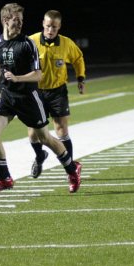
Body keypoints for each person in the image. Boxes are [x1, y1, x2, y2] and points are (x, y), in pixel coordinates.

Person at [0, 3, 82, 194]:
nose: (19, 25)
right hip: (8, 96)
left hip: (28, 98)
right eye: (16, 21)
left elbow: (38, 75)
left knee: (45, 138)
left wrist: (17, 78)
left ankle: (72, 169)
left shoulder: (27, 44)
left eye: (21, 21)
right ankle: (4, 179)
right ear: (5, 20)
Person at [25, 9, 87, 178]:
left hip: (58, 91)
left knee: (61, 129)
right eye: (48, 26)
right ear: (43, 24)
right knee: (33, 133)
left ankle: (71, 169)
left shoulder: (66, 44)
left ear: (59, 27)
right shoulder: (32, 41)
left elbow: (78, 58)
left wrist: (81, 78)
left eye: (54, 27)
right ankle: (39, 157)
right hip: (36, 92)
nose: (51, 30)